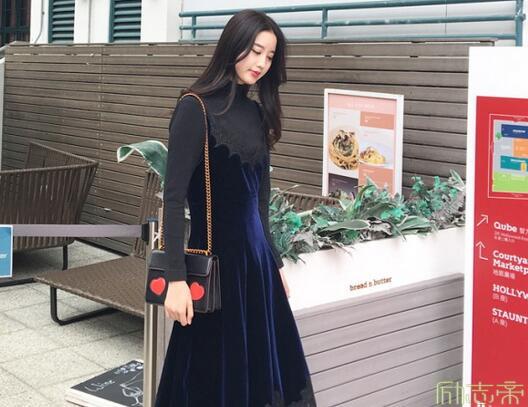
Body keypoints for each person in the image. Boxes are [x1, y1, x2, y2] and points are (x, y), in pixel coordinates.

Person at [155, 9, 317, 407]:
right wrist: (175, 279)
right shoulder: (195, 107)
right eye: (256, 51)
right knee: (209, 379)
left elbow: (259, 201)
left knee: (260, 377)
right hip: (217, 269)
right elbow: (173, 198)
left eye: (270, 56)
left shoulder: (257, 113)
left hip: (256, 268)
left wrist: (275, 263)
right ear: (233, 45)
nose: (261, 63)